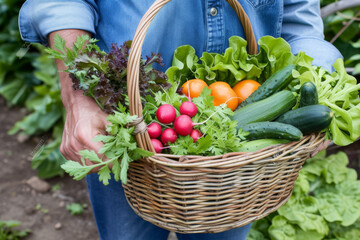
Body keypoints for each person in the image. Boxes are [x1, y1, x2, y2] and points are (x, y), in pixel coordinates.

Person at [19, 0, 342, 239]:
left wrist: (316, 97)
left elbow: (300, 23)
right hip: (120, 121)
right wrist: (79, 96)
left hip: (236, 157)